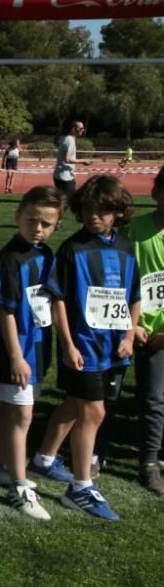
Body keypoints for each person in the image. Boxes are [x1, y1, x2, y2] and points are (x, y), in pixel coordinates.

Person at [29, 175, 137, 521]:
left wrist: (130, 335)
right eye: (88, 208)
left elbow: (134, 297)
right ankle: (80, 486)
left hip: (115, 346)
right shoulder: (73, 249)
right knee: (94, 412)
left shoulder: (126, 247)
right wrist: (69, 343)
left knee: (76, 405)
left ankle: (44, 458)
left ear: (118, 213)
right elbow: (58, 298)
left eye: (103, 210)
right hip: (85, 346)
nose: (94, 215)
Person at [0, 186, 64, 520]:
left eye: (46, 223)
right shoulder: (10, 258)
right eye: (31, 220)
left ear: (56, 225)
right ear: (18, 217)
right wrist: (16, 355)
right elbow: (4, 310)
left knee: (9, 412)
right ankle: (19, 486)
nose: (38, 228)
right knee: (22, 416)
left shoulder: (46, 255)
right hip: (15, 354)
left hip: (37, 349)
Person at [125, 165, 164, 495]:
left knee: (155, 399)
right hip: (127, 327)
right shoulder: (134, 231)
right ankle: (96, 452)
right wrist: (130, 324)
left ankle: (149, 462)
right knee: (102, 395)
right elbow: (114, 278)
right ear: (155, 194)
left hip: (162, 338)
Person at [52, 121, 90, 199]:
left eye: (83, 128)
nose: (83, 130)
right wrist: (83, 161)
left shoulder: (66, 138)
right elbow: (67, 159)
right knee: (68, 201)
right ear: (73, 129)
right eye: (81, 128)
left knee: (62, 201)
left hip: (60, 175)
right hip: (65, 177)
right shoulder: (70, 141)